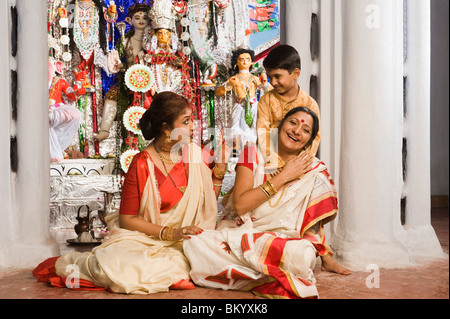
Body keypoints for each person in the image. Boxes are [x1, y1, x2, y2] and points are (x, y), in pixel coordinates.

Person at [33, 92, 231, 294]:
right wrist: (171, 233)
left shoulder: (196, 154)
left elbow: (207, 208)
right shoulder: (142, 163)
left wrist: (219, 172)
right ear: (165, 128)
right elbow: (127, 219)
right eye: (186, 121)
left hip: (189, 242)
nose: (193, 126)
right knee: (116, 266)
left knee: (212, 254)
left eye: (192, 120)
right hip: (147, 240)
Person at [184, 107, 351, 299]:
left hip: (283, 241)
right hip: (241, 233)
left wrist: (326, 257)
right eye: (293, 122)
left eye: (306, 130)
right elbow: (240, 206)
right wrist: (284, 176)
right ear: (280, 126)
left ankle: (246, 268)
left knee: (302, 255)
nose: (297, 131)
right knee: (194, 242)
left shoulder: (313, 169)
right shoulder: (252, 154)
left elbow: (312, 221)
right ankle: (265, 270)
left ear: (310, 141)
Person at [257, 44, 321, 170]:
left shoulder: (309, 104)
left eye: (277, 76)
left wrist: (299, 166)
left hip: (298, 166)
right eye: (270, 77)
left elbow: (314, 139)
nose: (273, 82)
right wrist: (273, 163)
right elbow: (263, 132)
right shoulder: (266, 100)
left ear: (295, 74)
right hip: (270, 164)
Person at [215, 48, 271, 152]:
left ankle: (254, 152)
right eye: (241, 59)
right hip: (240, 108)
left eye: (247, 59)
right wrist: (230, 84)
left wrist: (264, 83)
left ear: (252, 62)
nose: (245, 62)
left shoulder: (254, 78)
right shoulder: (234, 79)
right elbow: (218, 92)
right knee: (237, 131)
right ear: (236, 62)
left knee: (255, 130)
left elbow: (269, 89)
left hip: (253, 107)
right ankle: (237, 153)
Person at [48, 58, 86, 162]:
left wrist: (78, 84)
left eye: (50, 67)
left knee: (75, 114)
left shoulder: (61, 81)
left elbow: (72, 96)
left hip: (56, 111)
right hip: (42, 111)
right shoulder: (37, 81)